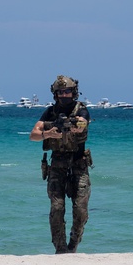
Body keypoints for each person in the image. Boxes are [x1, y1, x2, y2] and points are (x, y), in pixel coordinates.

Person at [29, 75, 92, 254]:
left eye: (67, 91)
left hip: (78, 165)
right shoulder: (50, 112)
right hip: (57, 166)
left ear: (74, 92)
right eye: (61, 92)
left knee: (80, 210)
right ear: (55, 94)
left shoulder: (82, 109)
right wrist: (48, 134)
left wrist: (75, 126)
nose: (64, 95)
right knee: (57, 208)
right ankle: (60, 249)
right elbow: (33, 134)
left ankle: (73, 245)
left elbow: (83, 123)